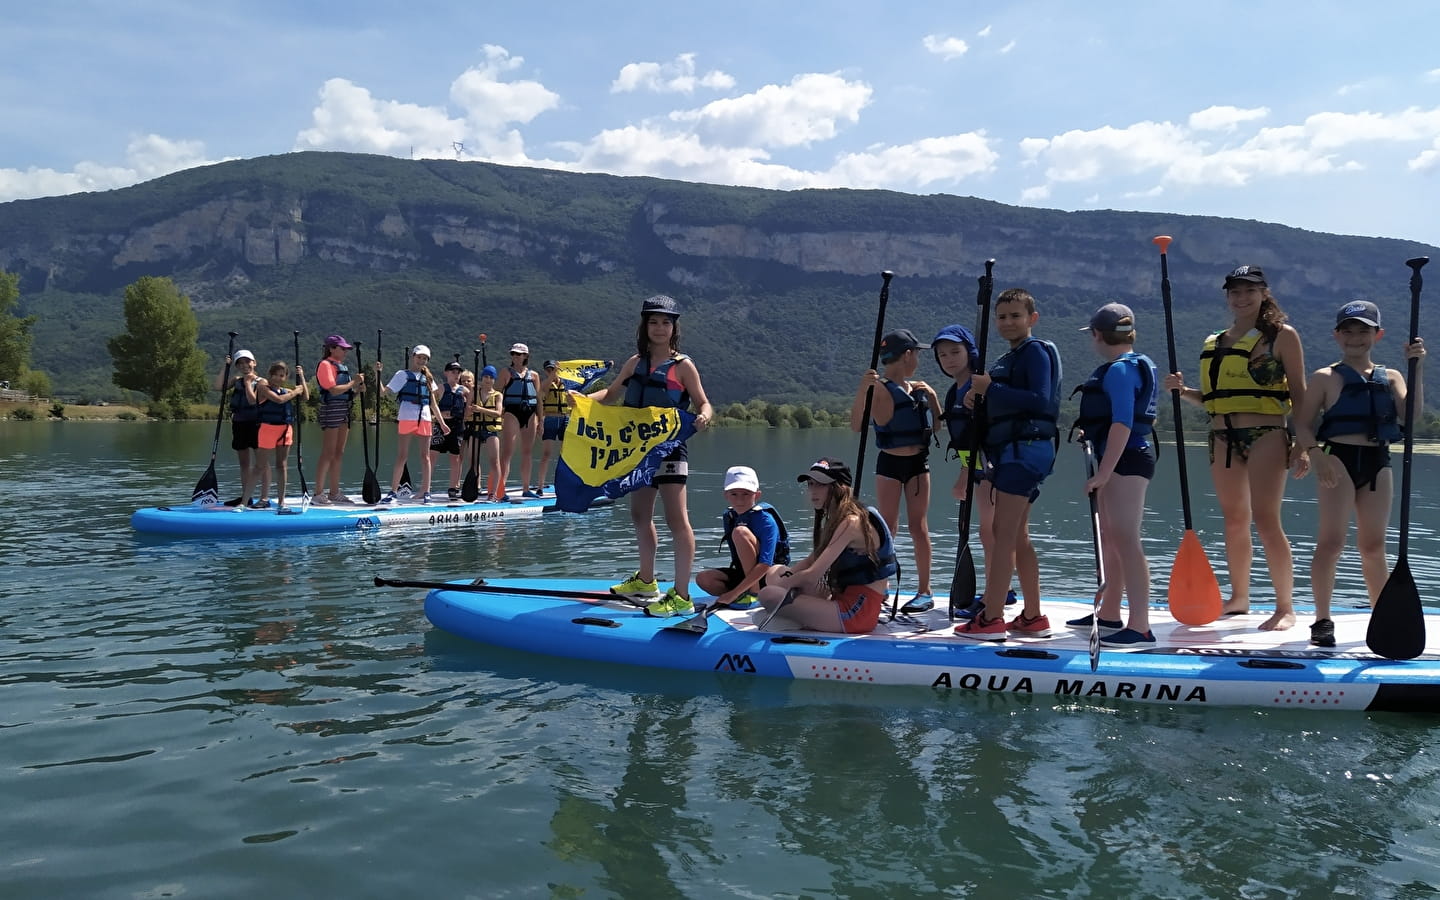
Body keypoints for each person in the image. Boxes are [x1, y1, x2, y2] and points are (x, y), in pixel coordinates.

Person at [1163, 265, 1308, 631]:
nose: (1241, 298)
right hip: (1222, 436)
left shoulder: (1282, 336)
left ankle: (1285, 607)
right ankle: (1239, 598)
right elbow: (1214, 399)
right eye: (1234, 291)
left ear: (1264, 293)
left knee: (1266, 520)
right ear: (1227, 296)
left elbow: (1302, 396)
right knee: (1234, 520)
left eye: (1249, 291)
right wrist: (1182, 392)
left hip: (1267, 434)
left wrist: (1304, 445)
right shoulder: (1216, 340)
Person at [1292, 300, 1426, 647]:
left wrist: (1417, 367)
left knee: (1373, 545)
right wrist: (1315, 455)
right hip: (1337, 459)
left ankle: (1382, 614)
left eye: (1364, 331)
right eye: (1348, 330)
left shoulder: (1392, 376)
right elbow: (1303, 425)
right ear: (1337, 335)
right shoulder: (1324, 377)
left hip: (1377, 460)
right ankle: (1322, 620)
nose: (1355, 337)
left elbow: (1411, 417)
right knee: (1332, 541)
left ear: (1377, 335)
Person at [592, 294, 714, 617]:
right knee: (639, 515)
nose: (659, 328)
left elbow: (704, 402)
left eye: (666, 322)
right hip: (639, 452)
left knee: (677, 520)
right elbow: (612, 394)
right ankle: (647, 581)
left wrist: (704, 416)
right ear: (644, 326)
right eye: (654, 322)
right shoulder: (635, 363)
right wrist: (582, 400)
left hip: (671, 448)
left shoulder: (683, 366)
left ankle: (682, 595)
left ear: (674, 328)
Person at [954, 288, 1062, 640]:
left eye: (1015, 315)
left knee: (1002, 535)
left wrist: (990, 388)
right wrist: (977, 399)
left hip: (1024, 451)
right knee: (1017, 537)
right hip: (1016, 452)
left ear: (1032, 318)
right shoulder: (1009, 358)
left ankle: (991, 618)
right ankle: (1032, 617)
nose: (1007, 322)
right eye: (1002, 316)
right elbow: (1005, 403)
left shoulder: (1035, 352)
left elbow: (1040, 400)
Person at [1069, 303, 1160, 646]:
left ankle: (1140, 627)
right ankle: (1109, 614)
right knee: (1111, 537)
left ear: (1096, 335)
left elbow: (1122, 421)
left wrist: (1103, 473)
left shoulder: (1120, 371)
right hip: (1121, 456)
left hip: (1126, 460)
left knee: (1126, 540)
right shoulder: (1130, 366)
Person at [850, 328, 940, 613]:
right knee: (887, 527)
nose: (919, 361)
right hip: (890, 464)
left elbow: (936, 427)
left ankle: (925, 590)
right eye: (917, 354)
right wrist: (863, 390)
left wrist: (935, 399)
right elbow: (856, 425)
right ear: (908, 355)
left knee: (919, 526)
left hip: (918, 464)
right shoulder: (879, 388)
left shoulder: (919, 390)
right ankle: (882, 586)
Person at [933, 325, 1020, 617]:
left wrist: (964, 475)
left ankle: (998, 593)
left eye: (955, 352)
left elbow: (985, 433)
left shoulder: (979, 386)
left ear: (970, 352)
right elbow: (962, 439)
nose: (949, 359)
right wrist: (966, 471)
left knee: (992, 532)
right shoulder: (952, 392)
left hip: (995, 468)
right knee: (987, 533)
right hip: (978, 469)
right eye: (942, 355)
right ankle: (1000, 589)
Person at [755, 458, 897, 634]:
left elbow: (812, 576)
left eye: (821, 485)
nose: (813, 491)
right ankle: (798, 613)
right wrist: (783, 577)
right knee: (773, 573)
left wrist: (784, 586)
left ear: (839, 488)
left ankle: (796, 620)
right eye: (811, 484)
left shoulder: (851, 522)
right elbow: (811, 561)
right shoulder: (838, 519)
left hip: (855, 614)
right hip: (841, 597)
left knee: (767, 595)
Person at [695, 466, 790, 611]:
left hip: (770, 575)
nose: (739, 500)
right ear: (726, 495)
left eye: (746, 494)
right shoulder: (730, 516)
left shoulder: (765, 519)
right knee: (703, 579)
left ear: (757, 495)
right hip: (746, 572)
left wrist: (733, 593)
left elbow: (765, 564)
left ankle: (754, 593)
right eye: (734, 494)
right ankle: (742, 593)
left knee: (740, 532)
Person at [378, 344, 449, 504]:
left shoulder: (428, 378)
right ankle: (393, 491)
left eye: (424, 358)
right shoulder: (402, 375)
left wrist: (442, 423)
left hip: (425, 418)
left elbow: (433, 404)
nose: (421, 360)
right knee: (402, 455)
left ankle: (426, 491)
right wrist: (378, 375)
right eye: (419, 357)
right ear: (413, 357)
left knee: (425, 457)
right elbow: (383, 392)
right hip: (406, 417)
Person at [311, 334, 363, 505]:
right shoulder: (325, 365)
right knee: (328, 452)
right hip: (331, 408)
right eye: (342, 348)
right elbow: (333, 390)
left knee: (338, 453)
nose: (346, 351)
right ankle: (318, 493)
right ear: (332, 348)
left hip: (344, 409)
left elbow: (345, 394)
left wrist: (357, 391)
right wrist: (353, 383)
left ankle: (334, 492)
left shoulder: (342, 366)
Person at [252, 360, 308, 510]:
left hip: (284, 430)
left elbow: (305, 397)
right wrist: (295, 391)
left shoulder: (285, 390)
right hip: (268, 428)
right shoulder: (264, 388)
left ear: (285, 377)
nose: (278, 378)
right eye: (275, 375)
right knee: (261, 465)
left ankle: (282, 501)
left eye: (282, 375)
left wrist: (301, 377)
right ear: (270, 375)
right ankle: (252, 499)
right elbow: (278, 400)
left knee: (281, 465)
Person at [214, 349, 261, 507]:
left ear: (254, 363)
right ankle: (246, 497)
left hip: (256, 424)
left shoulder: (261, 381)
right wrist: (225, 367)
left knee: (262, 462)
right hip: (239, 423)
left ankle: (264, 498)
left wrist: (248, 383)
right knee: (244, 464)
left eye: (247, 361)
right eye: (240, 363)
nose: (244, 365)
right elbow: (219, 387)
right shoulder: (236, 380)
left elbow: (254, 401)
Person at [497, 342, 542, 500]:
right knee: (508, 451)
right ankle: (501, 488)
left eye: (518, 354)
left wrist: (541, 420)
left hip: (530, 414)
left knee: (527, 452)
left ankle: (526, 488)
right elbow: (497, 393)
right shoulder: (505, 372)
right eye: (513, 354)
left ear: (525, 356)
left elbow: (538, 399)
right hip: (511, 412)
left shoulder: (534, 375)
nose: (515, 357)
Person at [430, 360, 469, 500]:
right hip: (441, 425)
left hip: (457, 426)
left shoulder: (464, 391)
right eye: (453, 372)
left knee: (455, 458)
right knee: (432, 455)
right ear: (446, 373)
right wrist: (433, 417)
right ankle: (426, 487)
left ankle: (453, 488)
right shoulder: (440, 388)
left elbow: (471, 406)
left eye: (458, 372)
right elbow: (430, 402)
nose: (456, 375)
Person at [466, 365, 505, 502]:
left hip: (490, 430)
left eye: (490, 378)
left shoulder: (498, 395)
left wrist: (480, 409)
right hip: (475, 429)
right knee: (473, 461)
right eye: (485, 377)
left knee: (494, 461)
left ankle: (493, 493)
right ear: (481, 378)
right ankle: (476, 487)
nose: (488, 380)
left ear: (494, 380)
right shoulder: (474, 392)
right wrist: (471, 410)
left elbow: (498, 413)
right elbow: (467, 412)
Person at [535, 360, 569, 497]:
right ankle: (540, 486)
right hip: (550, 418)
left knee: (565, 454)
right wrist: (540, 422)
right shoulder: (545, 383)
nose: (551, 372)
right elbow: (544, 390)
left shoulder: (566, 383)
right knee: (547, 453)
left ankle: (565, 484)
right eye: (548, 370)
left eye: (553, 369)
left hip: (564, 418)